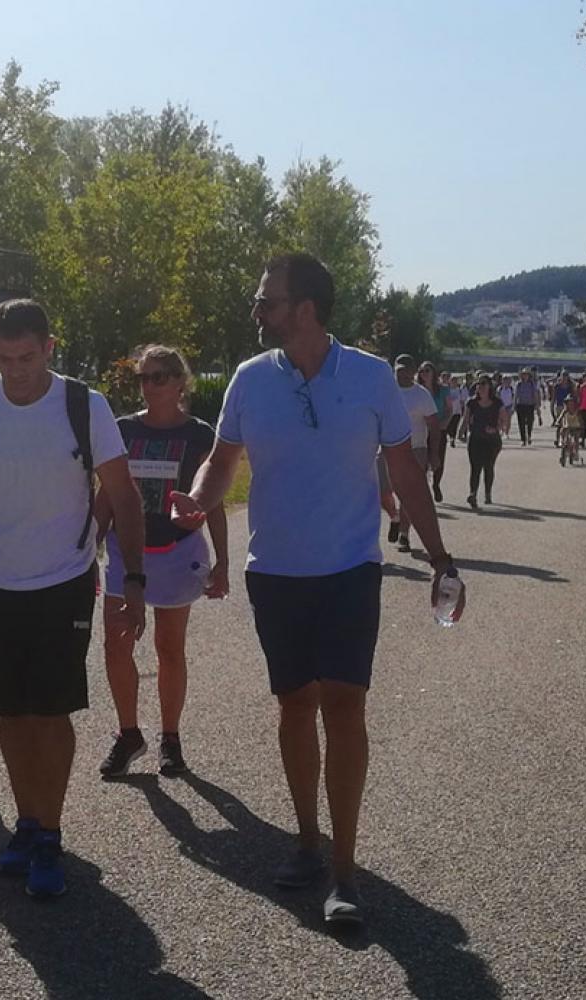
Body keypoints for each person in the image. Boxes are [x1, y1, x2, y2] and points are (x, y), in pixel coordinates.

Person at [170, 254, 461, 927]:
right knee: (295, 705)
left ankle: (345, 872)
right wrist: (198, 499)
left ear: (305, 309)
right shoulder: (249, 379)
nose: (258, 309)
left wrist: (441, 556)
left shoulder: (368, 378)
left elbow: (405, 472)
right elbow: (223, 457)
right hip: (274, 572)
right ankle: (306, 840)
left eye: (267, 300)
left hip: (349, 571)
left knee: (345, 708)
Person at [0, 299, 146, 899]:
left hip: (62, 579)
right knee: (10, 711)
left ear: (49, 348)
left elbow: (124, 494)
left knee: (49, 710)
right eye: (5, 358)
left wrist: (133, 580)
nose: (17, 370)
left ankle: (51, 833)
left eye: (28, 357)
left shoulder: (82, 406)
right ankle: (28, 820)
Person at [96, 345, 229, 779]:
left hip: (176, 552)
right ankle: (128, 733)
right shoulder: (121, 430)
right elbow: (106, 496)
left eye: (158, 377)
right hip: (124, 551)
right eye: (142, 378)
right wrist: (86, 551)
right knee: (116, 644)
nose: (149, 385)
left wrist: (223, 561)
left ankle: (170, 738)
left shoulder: (198, 435)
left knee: (169, 648)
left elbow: (214, 501)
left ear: (179, 382)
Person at [394, 355, 441, 551]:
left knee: (410, 493)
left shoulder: (421, 395)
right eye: (398, 370)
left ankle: (404, 534)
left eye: (406, 370)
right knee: (380, 491)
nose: (402, 374)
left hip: (416, 448)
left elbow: (434, 426)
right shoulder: (385, 391)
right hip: (387, 448)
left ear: (413, 372)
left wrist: (434, 454)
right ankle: (394, 517)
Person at [463, 373, 503, 507]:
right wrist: (461, 430)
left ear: (489, 386)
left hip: (492, 441)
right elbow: (466, 419)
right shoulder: (471, 402)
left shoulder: (497, 403)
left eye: (484, 383)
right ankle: (473, 494)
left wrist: (497, 428)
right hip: (475, 438)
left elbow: (504, 419)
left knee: (488, 466)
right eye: (479, 384)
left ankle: (487, 493)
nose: (481, 386)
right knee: (475, 467)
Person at [415, 361, 451, 503]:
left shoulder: (443, 390)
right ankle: (423, 490)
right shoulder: (417, 389)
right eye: (422, 371)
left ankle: (436, 484)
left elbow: (449, 409)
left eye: (427, 370)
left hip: (439, 428)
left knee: (438, 460)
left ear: (433, 373)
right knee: (421, 461)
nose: (424, 374)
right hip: (421, 430)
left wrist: (444, 423)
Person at [513, 368, 541, 446]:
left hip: (530, 405)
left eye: (526, 374)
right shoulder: (518, 384)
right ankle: (523, 439)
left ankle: (529, 435)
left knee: (530, 422)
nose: (525, 376)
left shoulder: (532, 384)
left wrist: (537, 406)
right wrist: (514, 405)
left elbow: (535, 395)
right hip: (520, 405)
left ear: (529, 376)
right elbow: (515, 396)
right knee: (521, 423)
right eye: (523, 374)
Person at [555, 396, 583, 466]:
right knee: (562, 431)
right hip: (567, 426)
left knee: (576, 438)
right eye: (569, 403)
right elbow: (560, 417)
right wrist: (557, 422)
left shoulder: (577, 411)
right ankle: (562, 442)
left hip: (576, 426)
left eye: (572, 403)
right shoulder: (565, 410)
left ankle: (576, 452)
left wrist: (581, 425)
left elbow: (581, 420)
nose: (570, 405)